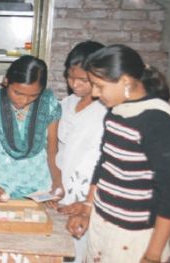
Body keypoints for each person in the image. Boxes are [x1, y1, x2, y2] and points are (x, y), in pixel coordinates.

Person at [66, 44, 170, 263]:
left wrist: (153, 255)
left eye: (99, 86)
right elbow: (104, 164)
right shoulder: (116, 113)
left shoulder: (158, 121)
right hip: (101, 225)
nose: (94, 93)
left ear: (125, 81)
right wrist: (87, 208)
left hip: (133, 238)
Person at [0, 55, 63, 201]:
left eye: (33, 95)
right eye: (18, 93)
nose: (24, 100)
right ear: (6, 82)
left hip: (39, 185)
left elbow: (52, 150)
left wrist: (57, 181)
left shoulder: (49, 105)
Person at [56, 40, 105, 263]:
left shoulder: (107, 110)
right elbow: (58, 150)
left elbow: (106, 164)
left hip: (90, 198)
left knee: (83, 252)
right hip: (62, 194)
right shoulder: (66, 104)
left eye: (83, 80)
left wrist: (88, 203)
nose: (74, 84)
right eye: (70, 76)